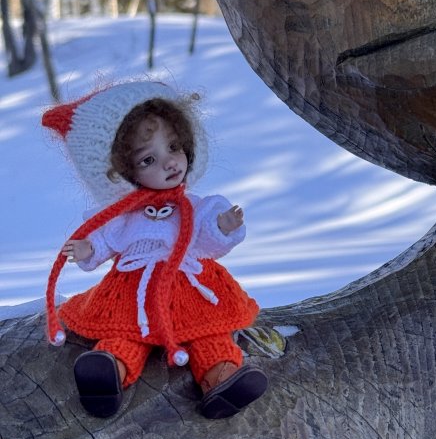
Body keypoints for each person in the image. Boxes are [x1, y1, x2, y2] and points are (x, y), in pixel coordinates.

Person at [42, 80, 268, 420]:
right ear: (120, 172)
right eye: (149, 159)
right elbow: (104, 242)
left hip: (191, 289)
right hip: (135, 292)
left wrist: (222, 226)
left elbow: (205, 240)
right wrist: (88, 249)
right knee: (123, 336)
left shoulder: (195, 207)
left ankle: (222, 378)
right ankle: (109, 374)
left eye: (174, 146)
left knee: (210, 334)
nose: (169, 163)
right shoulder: (122, 217)